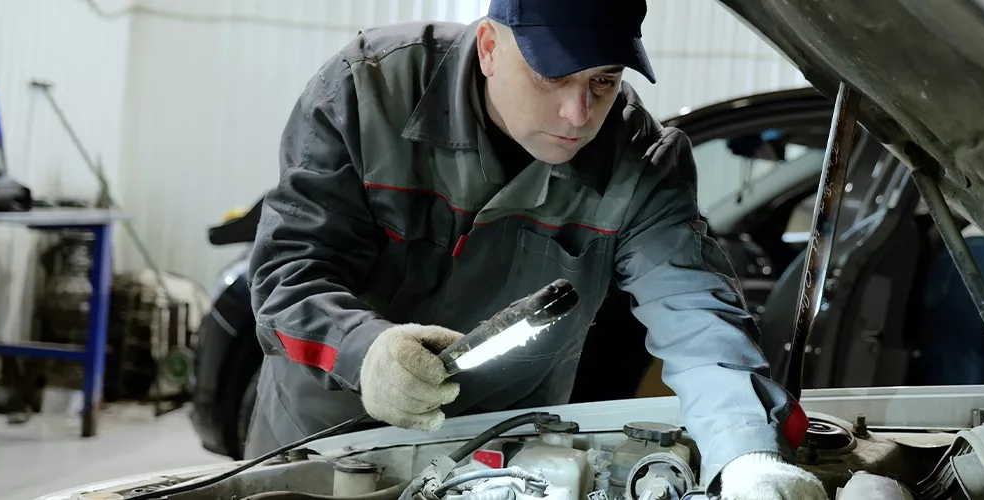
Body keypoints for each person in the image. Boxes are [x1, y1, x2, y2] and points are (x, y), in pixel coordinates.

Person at [245, 0, 825, 497]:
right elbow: (287, 273)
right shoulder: (366, 92)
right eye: (553, 77)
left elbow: (695, 312)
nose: (579, 114)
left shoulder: (639, 162)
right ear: (490, 47)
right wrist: (363, 350)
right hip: (330, 448)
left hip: (509, 461)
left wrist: (747, 454)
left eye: (603, 81)